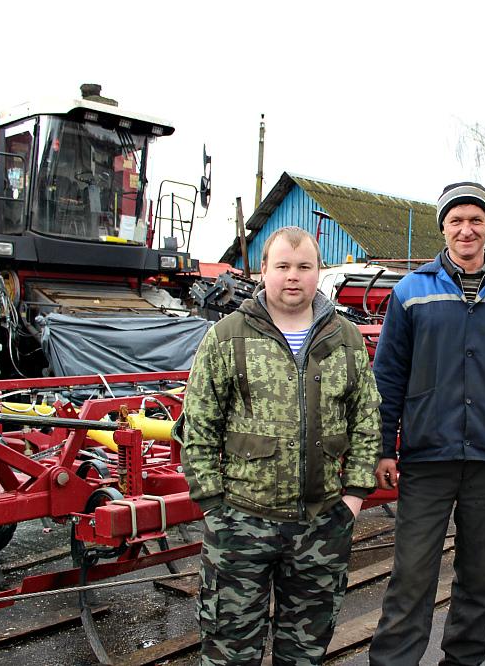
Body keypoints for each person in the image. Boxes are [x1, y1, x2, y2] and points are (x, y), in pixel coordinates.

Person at [368, 182, 485, 665]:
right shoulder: (411, 293)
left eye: (476, 220)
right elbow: (388, 376)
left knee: (478, 579)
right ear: (444, 228)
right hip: (428, 455)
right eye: (457, 220)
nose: (466, 229)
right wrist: (383, 448)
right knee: (411, 577)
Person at [180, 226, 381, 665]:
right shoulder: (227, 336)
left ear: (318, 273)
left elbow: (366, 419)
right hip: (241, 521)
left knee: (305, 652)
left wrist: (352, 497)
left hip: (321, 522)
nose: (293, 277)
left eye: (304, 267)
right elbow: (198, 424)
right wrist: (213, 502)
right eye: (283, 266)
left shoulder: (343, 338)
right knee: (230, 649)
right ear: (264, 272)